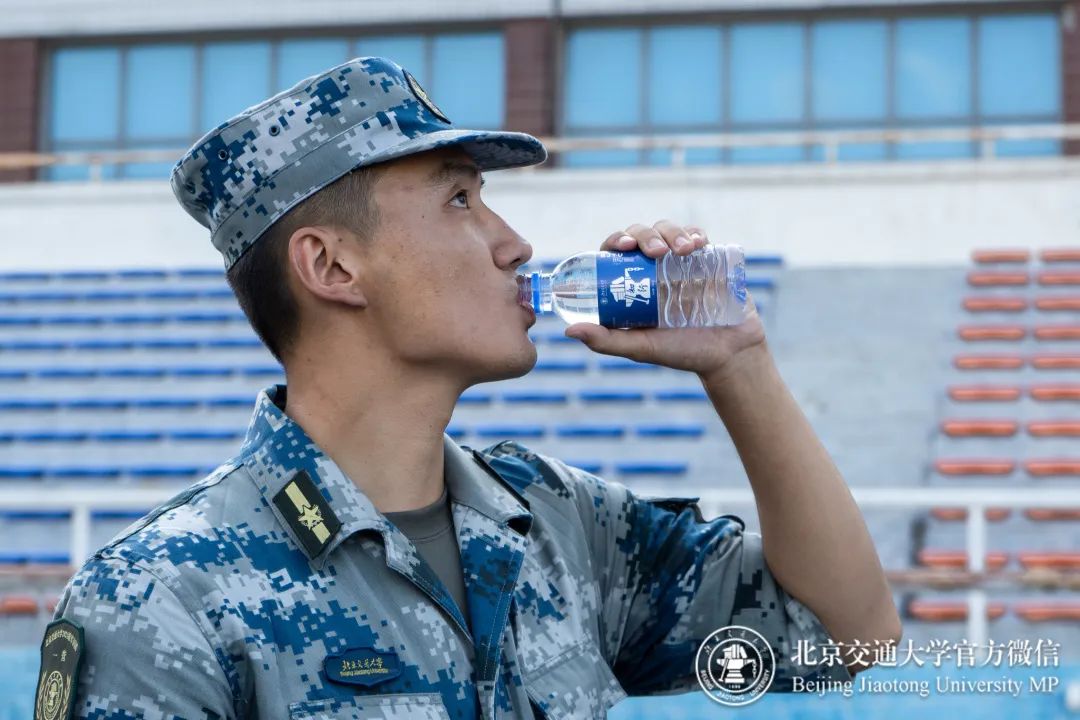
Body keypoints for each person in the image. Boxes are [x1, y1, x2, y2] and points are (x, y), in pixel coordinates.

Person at [34, 56, 900, 720]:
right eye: (459, 201)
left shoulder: (559, 523)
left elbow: (845, 638)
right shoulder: (160, 597)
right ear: (332, 265)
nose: (514, 242)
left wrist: (739, 365)